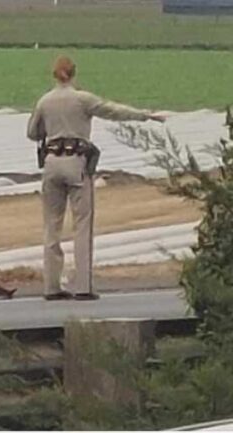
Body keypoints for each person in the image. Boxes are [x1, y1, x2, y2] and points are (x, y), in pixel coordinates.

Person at [27, 55, 165, 301]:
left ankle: (51, 286)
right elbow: (114, 111)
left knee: (51, 226)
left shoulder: (44, 101)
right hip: (77, 164)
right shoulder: (83, 99)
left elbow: (32, 132)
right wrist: (146, 115)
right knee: (82, 225)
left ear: (54, 75)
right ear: (74, 73)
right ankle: (83, 286)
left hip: (50, 165)